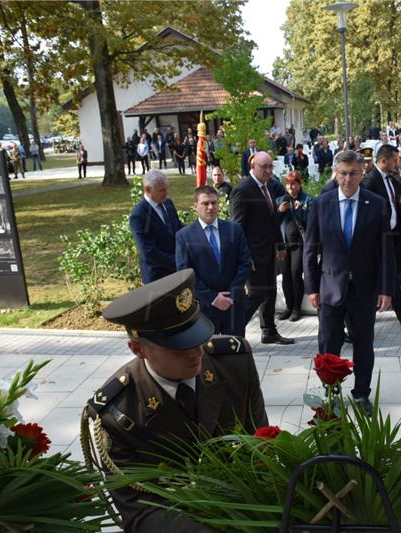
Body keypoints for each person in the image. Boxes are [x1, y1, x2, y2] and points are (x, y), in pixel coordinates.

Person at [84, 269, 267, 532]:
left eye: (198, 337)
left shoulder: (233, 363)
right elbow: (137, 510)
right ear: (138, 349)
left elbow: (260, 446)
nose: (196, 351)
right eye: (179, 345)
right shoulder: (117, 410)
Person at [303, 149, 395, 415]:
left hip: (364, 289)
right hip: (330, 287)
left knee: (364, 344)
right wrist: (311, 287)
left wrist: (387, 289)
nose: (347, 179)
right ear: (336, 173)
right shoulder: (322, 203)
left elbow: (385, 250)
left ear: (362, 172)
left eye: (353, 173)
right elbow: (311, 247)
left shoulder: (375, 203)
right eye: (342, 174)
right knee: (328, 345)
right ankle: (330, 394)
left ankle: (361, 393)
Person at [230, 151, 294, 345]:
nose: (268, 171)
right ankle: (233, 331)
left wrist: (280, 244)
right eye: (263, 167)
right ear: (252, 167)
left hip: (268, 250)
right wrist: (244, 256)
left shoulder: (269, 187)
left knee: (271, 292)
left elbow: (271, 221)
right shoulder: (243, 189)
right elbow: (237, 227)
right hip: (252, 254)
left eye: (270, 167)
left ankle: (269, 331)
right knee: (257, 294)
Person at [175, 186, 251, 337]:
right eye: (205, 203)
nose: (210, 207)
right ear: (195, 206)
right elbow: (185, 273)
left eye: (214, 203)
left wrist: (231, 293)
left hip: (233, 304)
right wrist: (213, 298)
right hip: (204, 308)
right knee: (207, 357)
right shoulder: (184, 236)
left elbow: (245, 262)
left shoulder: (234, 229)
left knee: (235, 354)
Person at [361, 144, 401, 328]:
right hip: (378, 239)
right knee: (381, 279)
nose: (398, 164)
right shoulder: (370, 181)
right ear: (384, 160)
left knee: (393, 276)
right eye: (395, 160)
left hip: (393, 235)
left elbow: (397, 207)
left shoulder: (390, 180)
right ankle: (359, 322)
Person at [129, 169, 184, 284]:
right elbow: (149, 252)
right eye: (162, 190)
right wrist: (178, 261)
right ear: (148, 190)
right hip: (157, 278)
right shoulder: (139, 215)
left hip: (177, 273)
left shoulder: (168, 203)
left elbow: (178, 229)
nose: (166, 193)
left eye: (166, 189)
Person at [276, 172, 312, 322]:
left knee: (296, 273)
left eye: (294, 184)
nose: (291, 187)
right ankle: (289, 307)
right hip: (285, 244)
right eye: (288, 184)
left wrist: (301, 210)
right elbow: (274, 221)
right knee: (286, 275)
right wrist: (280, 211)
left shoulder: (307, 200)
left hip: (299, 244)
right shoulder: (280, 200)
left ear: (300, 184)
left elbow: (311, 223)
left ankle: (297, 308)